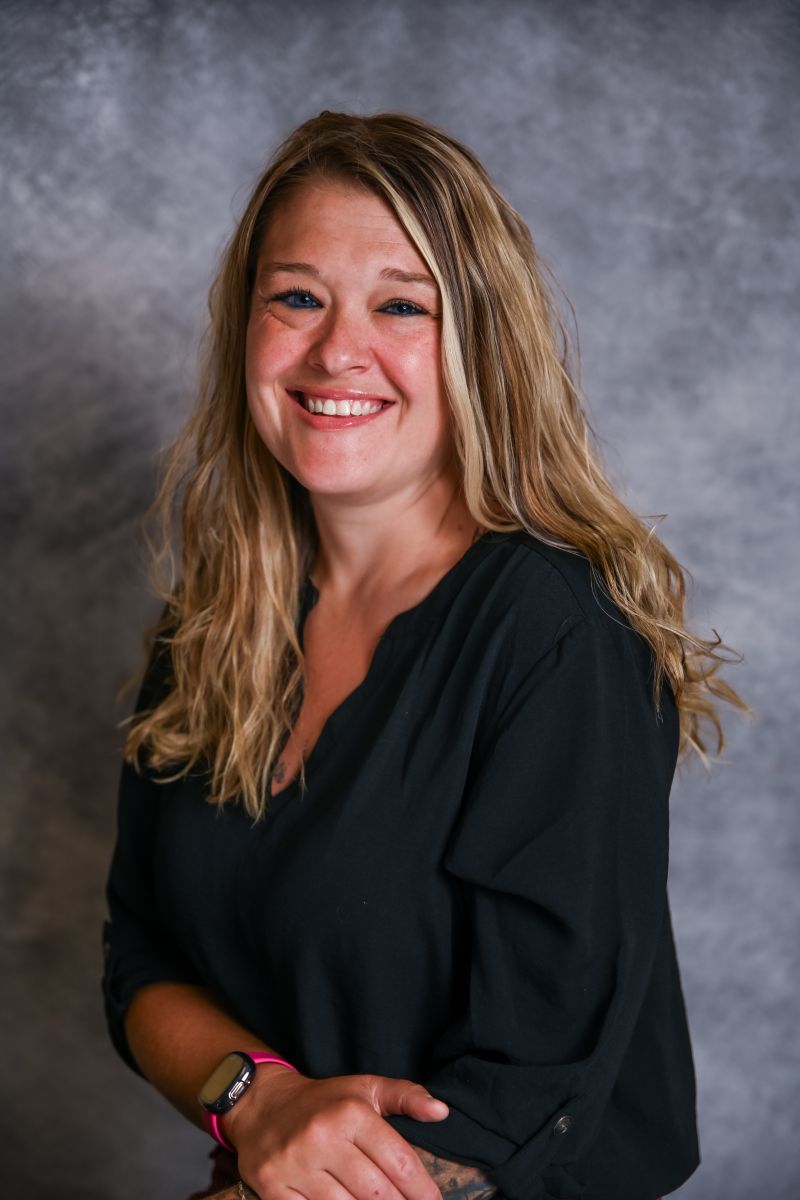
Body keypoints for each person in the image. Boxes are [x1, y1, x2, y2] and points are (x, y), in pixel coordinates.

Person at [102, 110, 749, 1200]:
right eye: (296, 296)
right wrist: (254, 1098)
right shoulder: (214, 625)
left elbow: (515, 1104)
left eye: (401, 304)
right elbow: (140, 958)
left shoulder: (554, 635)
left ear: (479, 346)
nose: (334, 350)